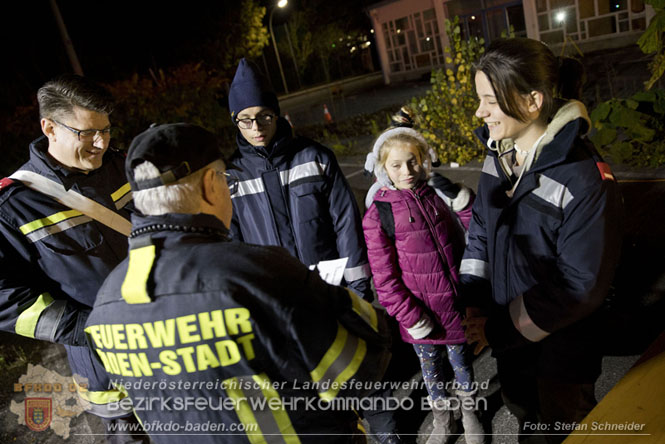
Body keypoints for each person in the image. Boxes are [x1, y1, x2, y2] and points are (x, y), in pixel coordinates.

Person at [84, 123, 392, 444]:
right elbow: (362, 362)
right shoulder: (260, 272)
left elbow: (130, 423)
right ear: (209, 185)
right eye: (226, 180)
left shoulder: (105, 305)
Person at [460, 38, 623, 443]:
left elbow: (579, 287)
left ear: (532, 101)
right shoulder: (497, 157)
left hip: (562, 358)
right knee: (525, 423)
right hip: (510, 345)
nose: (479, 112)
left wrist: (498, 328)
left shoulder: (585, 177)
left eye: (489, 101)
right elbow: (480, 231)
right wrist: (473, 303)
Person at [0, 74, 144, 441]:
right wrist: (84, 329)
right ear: (49, 127)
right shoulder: (15, 207)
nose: (101, 142)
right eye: (87, 132)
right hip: (109, 368)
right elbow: (4, 299)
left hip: (176, 346)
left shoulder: (125, 166)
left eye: (107, 130)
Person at [362, 109, 484, 444]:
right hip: (420, 315)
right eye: (396, 165)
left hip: (455, 305)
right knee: (432, 374)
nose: (407, 171)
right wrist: (410, 316)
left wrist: (463, 201)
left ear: (424, 160)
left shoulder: (438, 194)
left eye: (413, 161)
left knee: (462, 366)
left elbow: (479, 233)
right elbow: (383, 278)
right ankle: (443, 419)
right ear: (383, 169)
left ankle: (470, 414)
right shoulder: (379, 214)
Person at [226, 58, 373, 302]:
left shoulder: (316, 158)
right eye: (246, 119)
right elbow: (233, 247)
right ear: (235, 121)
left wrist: (358, 288)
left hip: (328, 290)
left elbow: (346, 223)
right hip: (274, 299)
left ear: (276, 113)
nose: (256, 127)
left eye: (264, 116)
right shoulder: (232, 177)